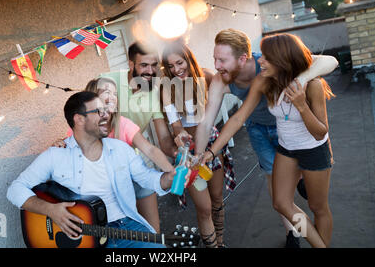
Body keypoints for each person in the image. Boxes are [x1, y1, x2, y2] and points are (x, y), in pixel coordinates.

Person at [195, 28, 338, 247]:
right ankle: (315, 242)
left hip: (313, 148)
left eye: (267, 59)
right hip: (282, 145)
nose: (261, 62)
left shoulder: (311, 85)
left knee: (319, 207)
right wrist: (208, 153)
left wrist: (301, 98)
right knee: (281, 203)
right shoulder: (262, 80)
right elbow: (237, 118)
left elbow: (320, 131)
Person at [7, 91, 183, 248]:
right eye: (98, 111)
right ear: (79, 119)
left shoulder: (120, 149)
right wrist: (50, 210)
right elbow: (15, 189)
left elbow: (148, 178)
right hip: (83, 235)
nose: (106, 114)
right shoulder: (55, 155)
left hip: (127, 226)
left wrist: (169, 177)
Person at [54, 76, 175, 232]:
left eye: (115, 94)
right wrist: (59, 145)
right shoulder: (82, 126)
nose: (112, 97)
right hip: (108, 190)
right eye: (106, 92)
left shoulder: (122, 123)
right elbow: (68, 149)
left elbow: (150, 149)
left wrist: (171, 172)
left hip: (135, 179)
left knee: (152, 231)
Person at [159, 41, 235, 248]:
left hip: (212, 146)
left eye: (179, 62)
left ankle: (220, 243)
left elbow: (236, 83)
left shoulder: (208, 77)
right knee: (204, 207)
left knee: (217, 200)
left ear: (188, 59)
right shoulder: (167, 87)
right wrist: (179, 132)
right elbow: (175, 125)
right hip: (188, 153)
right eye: (170, 66)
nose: (176, 69)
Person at [99, 42, 178, 234]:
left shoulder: (155, 90)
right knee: (121, 231)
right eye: (144, 65)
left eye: (154, 65)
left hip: (137, 160)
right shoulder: (107, 83)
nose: (150, 71)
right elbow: (86, 119)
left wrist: (178, 154)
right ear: (131, 64)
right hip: (105, 168)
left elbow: (162, 142)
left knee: (153, 230)